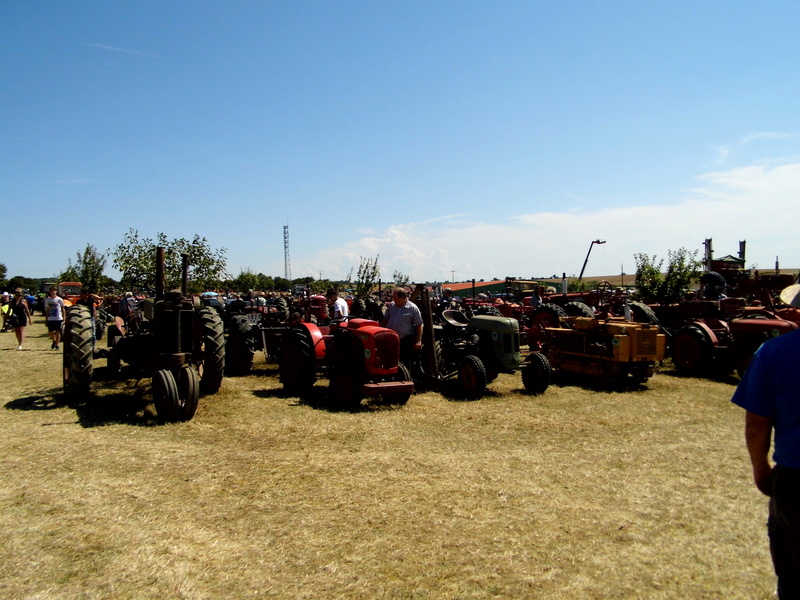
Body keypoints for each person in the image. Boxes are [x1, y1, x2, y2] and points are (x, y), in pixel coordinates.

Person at [730, 283, 800, 598]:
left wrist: (760, 468)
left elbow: (758, 425)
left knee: (794, 574)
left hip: (795, 482)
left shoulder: (773, 352)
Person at [380, 288, 423, 365]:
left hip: (405, 340)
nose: (393, 300)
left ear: (403, 298)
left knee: (405, 361)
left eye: (395, 298)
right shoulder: (392, 306)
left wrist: (418, 340)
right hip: (391, 339)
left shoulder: (413, 308)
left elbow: (419, 324)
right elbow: (386, 319)